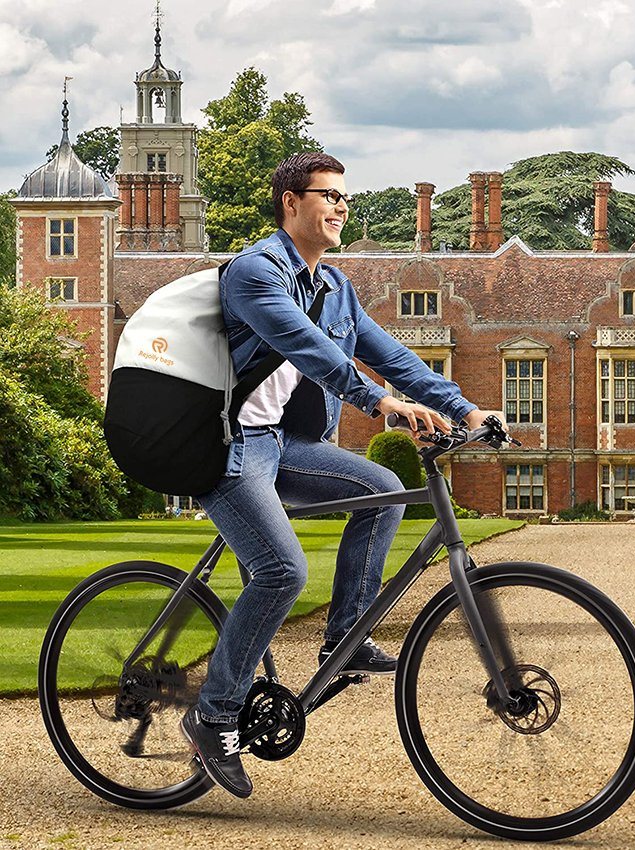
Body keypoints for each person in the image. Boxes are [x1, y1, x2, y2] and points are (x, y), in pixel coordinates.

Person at [181, 152, 504, 798]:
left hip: (282, 442)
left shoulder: (337, 289)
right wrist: (378, 403)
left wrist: (463, 406)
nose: (339, 208)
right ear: (290, 204)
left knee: (384, 492)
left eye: (344, 199)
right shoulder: (254, 273)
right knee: (283, 570)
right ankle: (212, 716)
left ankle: (344, 642)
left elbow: (395, 357)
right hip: (225, 443)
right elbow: (311, 348)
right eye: (327, 196)